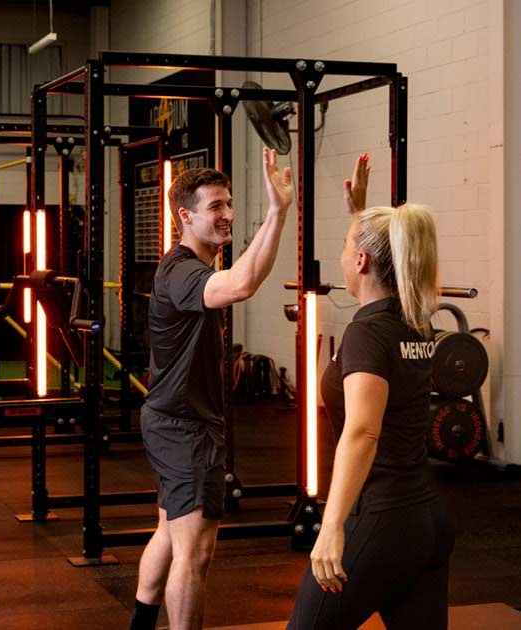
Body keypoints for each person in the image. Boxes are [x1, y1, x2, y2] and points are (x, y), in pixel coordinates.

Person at [129, 148, 295, 630]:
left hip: (177, 420)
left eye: (228, 203)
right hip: (183, 427)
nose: (227, 214)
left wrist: (275, 217)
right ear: (185, 216)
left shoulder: (192, 266)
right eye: (215, 207)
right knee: (195, 553)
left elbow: (247, 278)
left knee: (169, 531)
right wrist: (277, 213)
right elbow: (243, 285)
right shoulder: (182, 271)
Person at [285, 154, 453, 630]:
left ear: (359, 261)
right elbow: (387, 253)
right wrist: (360, 214)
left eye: (347, 245)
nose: (343, 253)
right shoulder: (414, 320)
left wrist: (332, 525)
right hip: (426, 519)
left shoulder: (367, 334)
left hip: (380, 519)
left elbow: (361, 432)